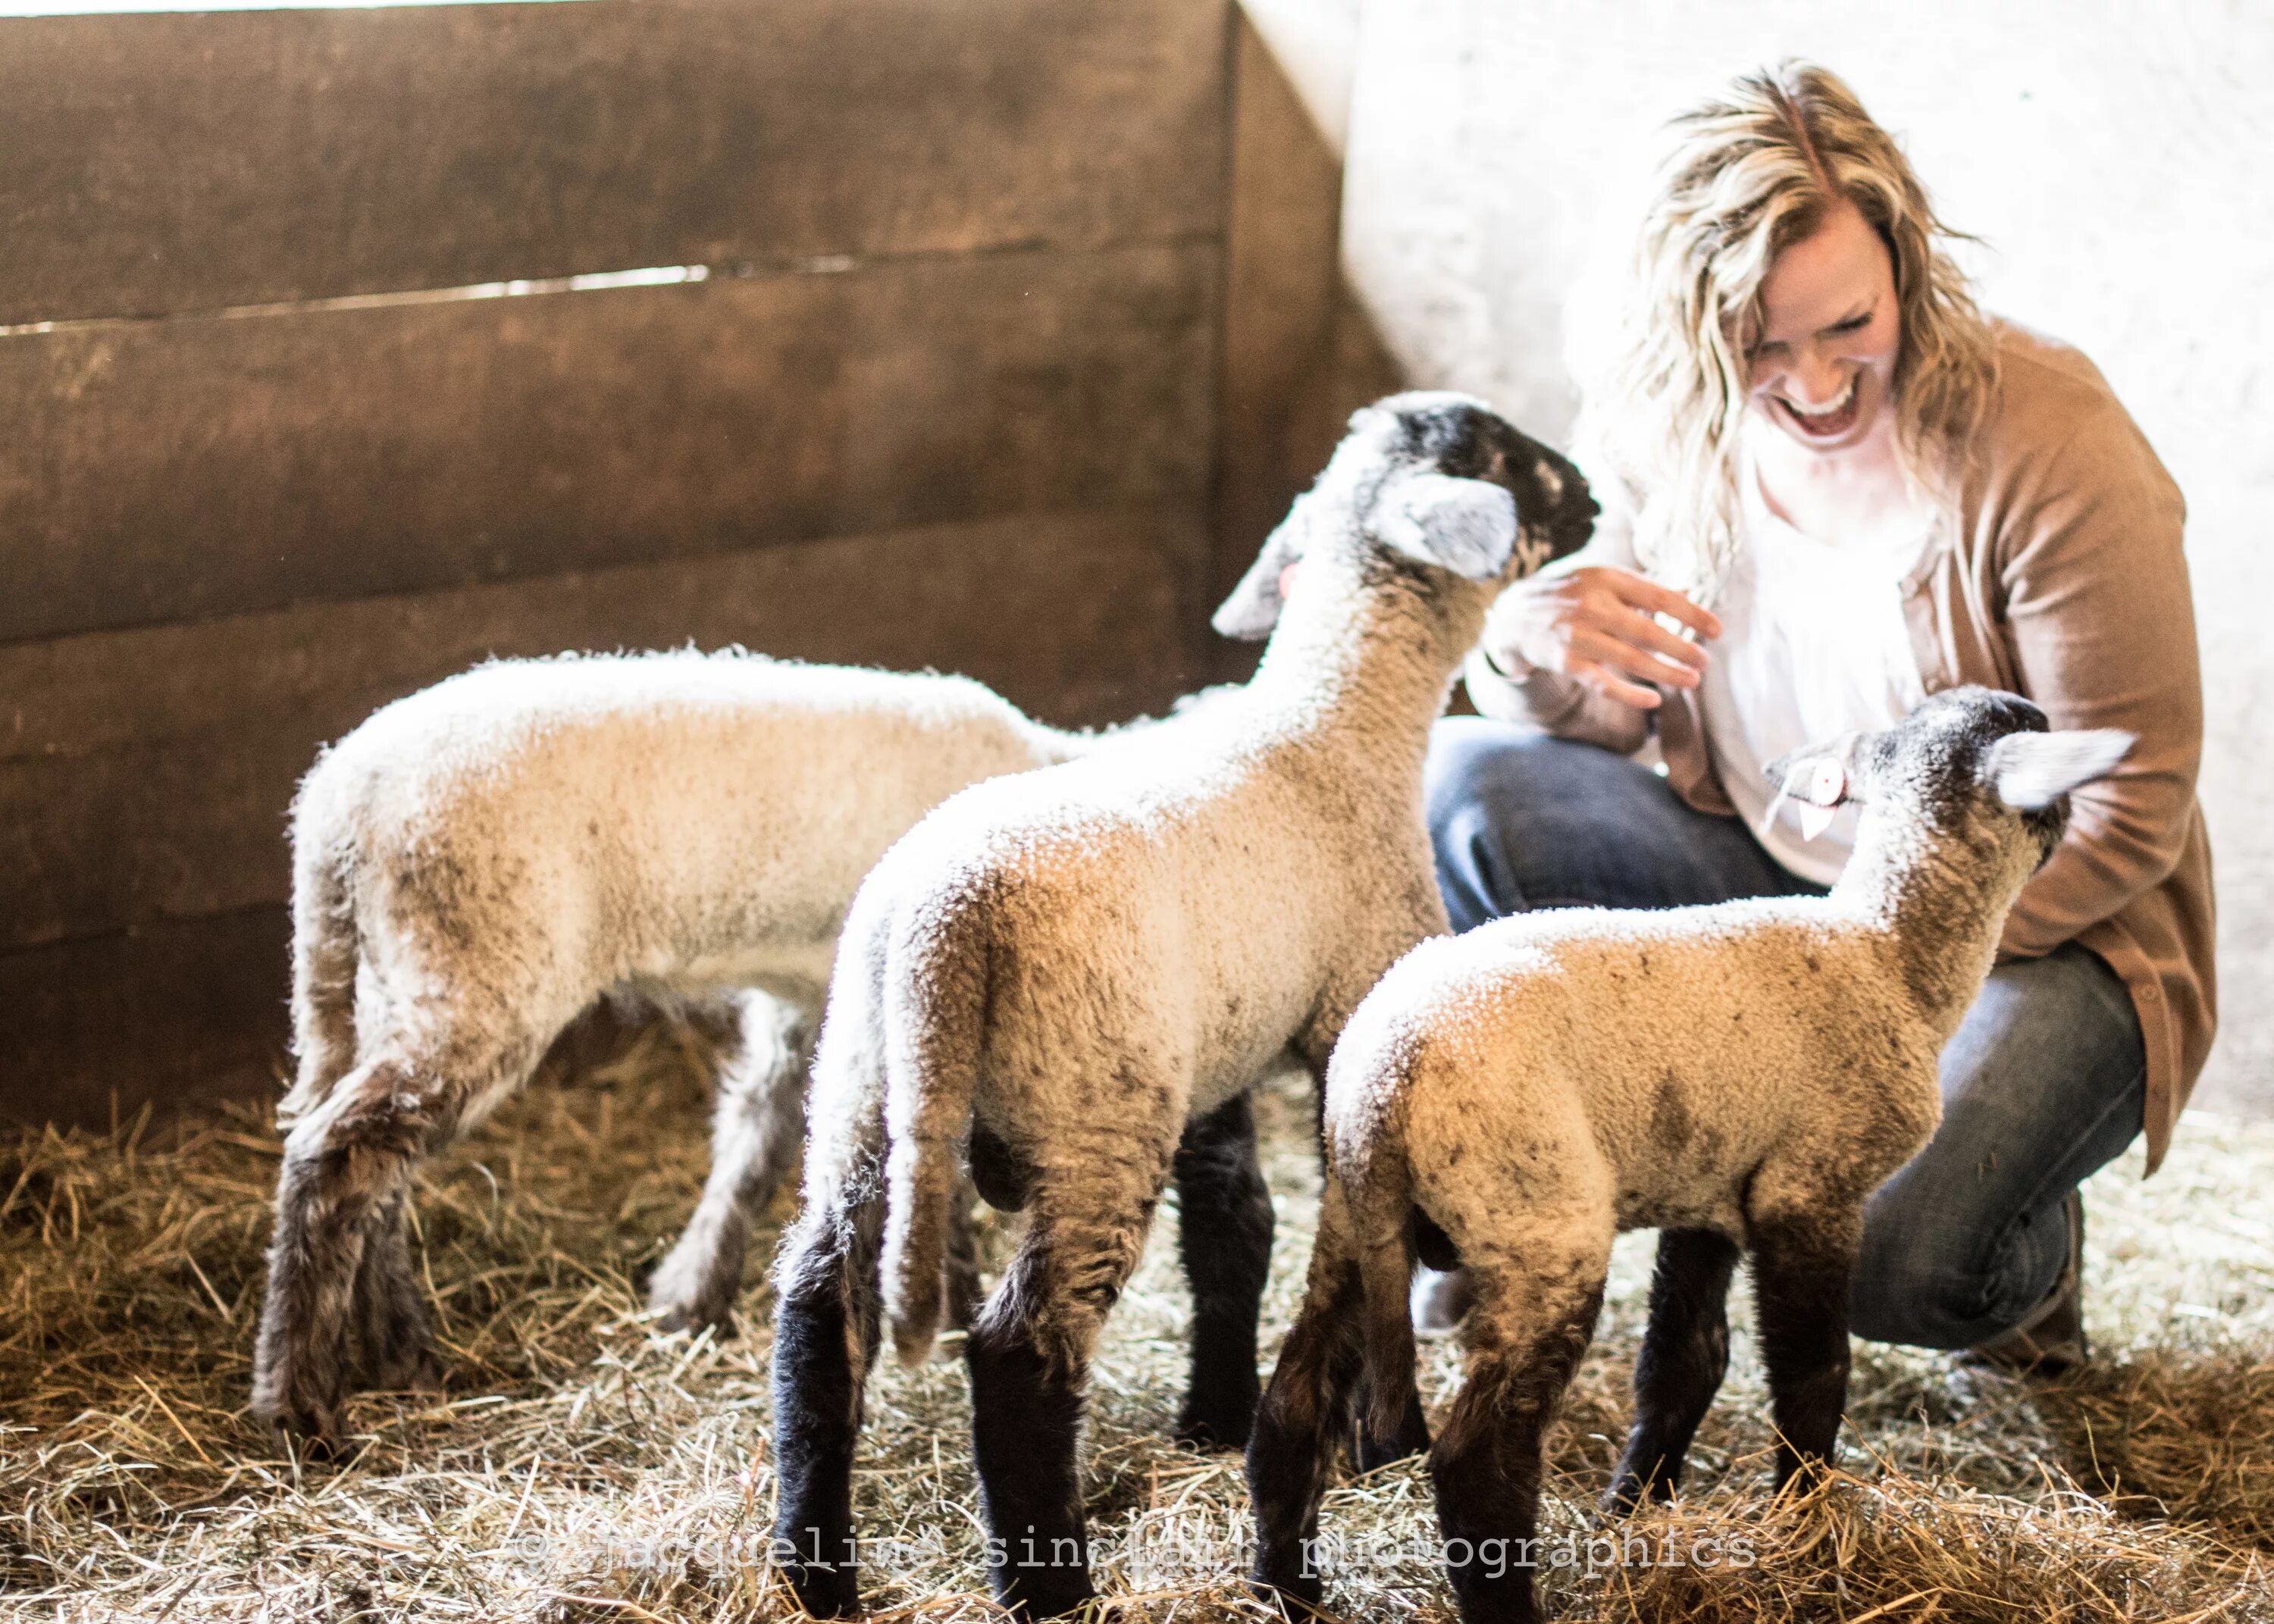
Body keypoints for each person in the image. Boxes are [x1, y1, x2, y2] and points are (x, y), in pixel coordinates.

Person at [1427, 61, 2214, 1369]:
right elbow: (1606, 729)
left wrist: (1891, 981)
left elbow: (2131, 805)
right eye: (1758, 348)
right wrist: (1521, 651)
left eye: (1849, 324)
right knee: (1462, 782)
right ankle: (1513, 1197)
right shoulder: (1676, 421)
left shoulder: (2052, 440)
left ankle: (2024, 1251)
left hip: (2038, 937)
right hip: (1770, 885)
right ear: (1691, 334)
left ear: (1904, 258)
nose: (1812, 385)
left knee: (1879, 1256)